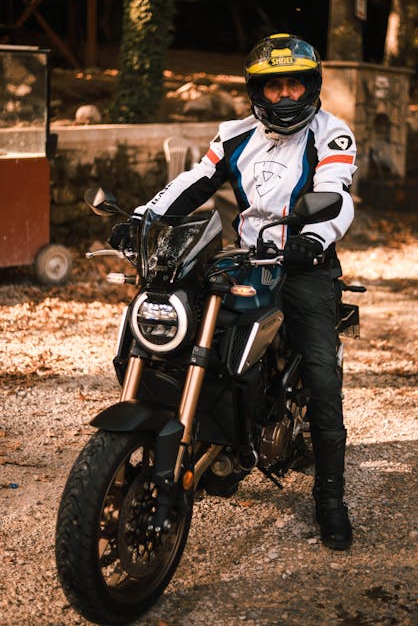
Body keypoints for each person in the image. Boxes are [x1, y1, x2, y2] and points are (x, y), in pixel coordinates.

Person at [110, 33, 357, 550]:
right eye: (274, 88)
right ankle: (208, 433)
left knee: (319, 372)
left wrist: (313, 238)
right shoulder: (234, 134)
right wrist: (140, 219)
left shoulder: (331, 135)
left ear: (310, 87)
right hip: (248, 256)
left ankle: (330, 497)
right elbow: (193, 182)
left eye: (295, 85)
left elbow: (335, 194)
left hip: (303, 264)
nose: (286, 96)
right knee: (183, 329)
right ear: (257, 93)